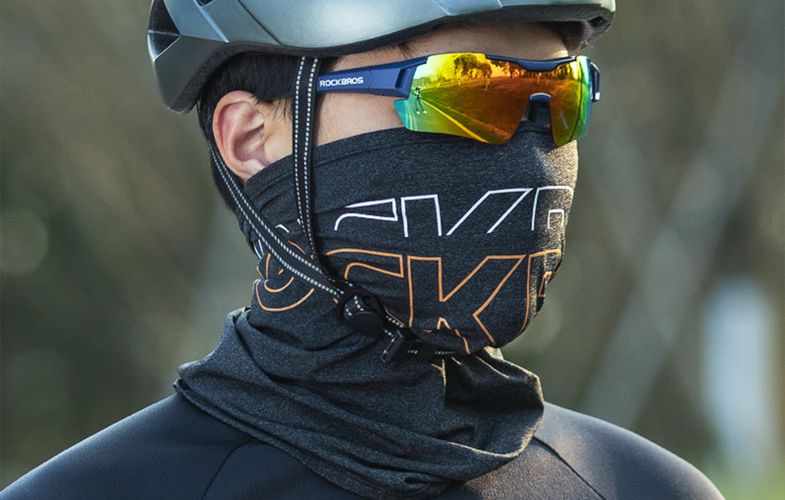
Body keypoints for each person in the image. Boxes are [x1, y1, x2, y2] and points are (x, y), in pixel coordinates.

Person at [1, 1, 724, 499]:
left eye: (560, 96)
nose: (529, 155)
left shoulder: (649, 490)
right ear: (250, 138)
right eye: (462, 93)